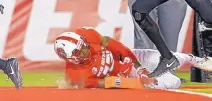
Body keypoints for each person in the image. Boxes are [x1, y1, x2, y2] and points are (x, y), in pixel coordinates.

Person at [54, 27, 212, 89]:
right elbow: (110, 83)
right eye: (80, 52)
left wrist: (140, 67)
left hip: (132, 57)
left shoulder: (87, 34)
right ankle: (170, 78)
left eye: (84, 45)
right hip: (127, 75)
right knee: (171, 83)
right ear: (71, 59)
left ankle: (199, 61)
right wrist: (139, 81)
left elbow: (116, 46)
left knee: (171, 57)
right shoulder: (78, 76)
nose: (86, 49)